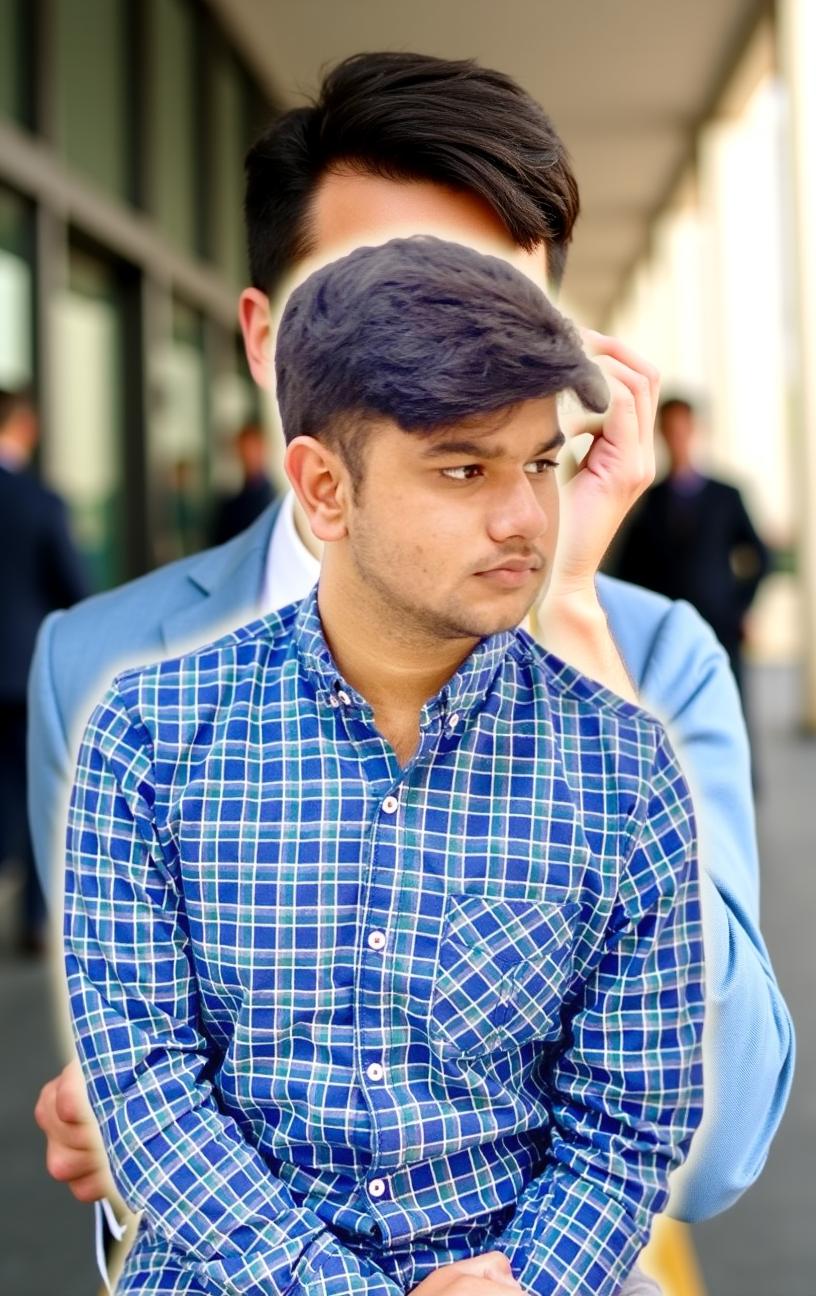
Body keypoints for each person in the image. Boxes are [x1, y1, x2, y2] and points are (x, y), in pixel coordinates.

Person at [32, 47, 791, 1258]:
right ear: (269, 344)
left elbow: (719, 1143)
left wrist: (570, 611)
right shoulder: (102, 675)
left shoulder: (655, 662)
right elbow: (138, 1099)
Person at [64, 236, 704, 1296]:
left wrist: (532, 1278)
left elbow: (630, 1117)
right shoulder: (152, 737)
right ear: (324, 489)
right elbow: (143, 1088)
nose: (523, 519)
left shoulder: (622, 772)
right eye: (465, 468)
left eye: (541, 464)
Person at [0, 388, 86, 951]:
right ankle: (34, 920)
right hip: (23, 670)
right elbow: (72, 590)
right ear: (24, 427)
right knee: (34, 789)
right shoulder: (40, 502)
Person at [615, 396, 770, 699]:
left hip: (719, 624)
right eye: (670, 430)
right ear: (661, 434)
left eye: (683, 429)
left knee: (727, 707)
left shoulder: (726, 495)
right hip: (666, 630)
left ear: (694, 431)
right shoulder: (647, 501)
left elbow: (761, 556)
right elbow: (627, 569)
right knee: (672, 713)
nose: (677, 438)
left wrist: (740, 608)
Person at [210, 421, 277, 546]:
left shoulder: (276, 501)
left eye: (253, 449)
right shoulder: (232, 507)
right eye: (245, 449)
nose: (249, 456)